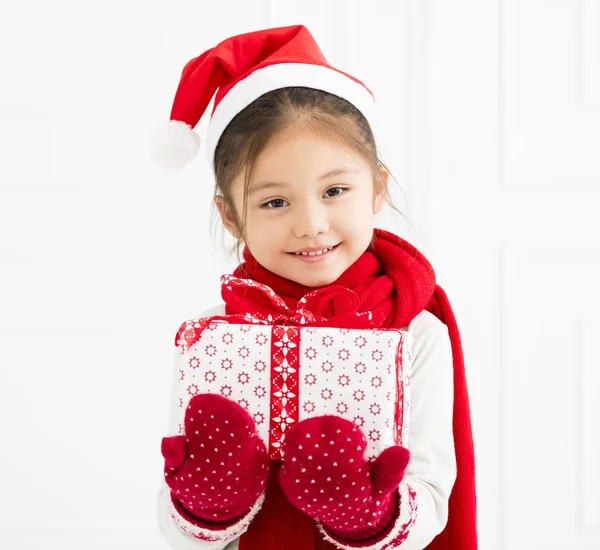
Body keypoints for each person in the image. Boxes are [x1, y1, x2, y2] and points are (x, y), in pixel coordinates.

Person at [150, 25, 477, 550]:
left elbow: (432, 505)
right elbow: (174, 525)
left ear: (376, 188)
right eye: (275, 202)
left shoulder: (415, 334)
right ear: (231, 217)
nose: (312, 224)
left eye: (335, 190)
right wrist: (213, 498)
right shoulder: (215, 341)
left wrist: (362, 510)